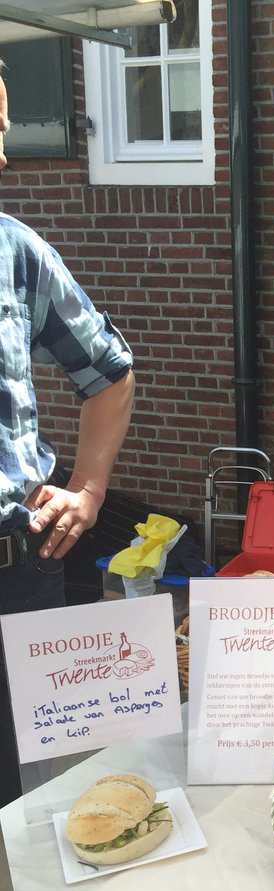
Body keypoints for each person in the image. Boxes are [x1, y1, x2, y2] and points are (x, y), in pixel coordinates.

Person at [0, 64, 135, 806]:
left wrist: (87, 488)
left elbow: (110, 373)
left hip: (18, 570)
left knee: (32, 796)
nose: (5, 159)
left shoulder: (15, 251)